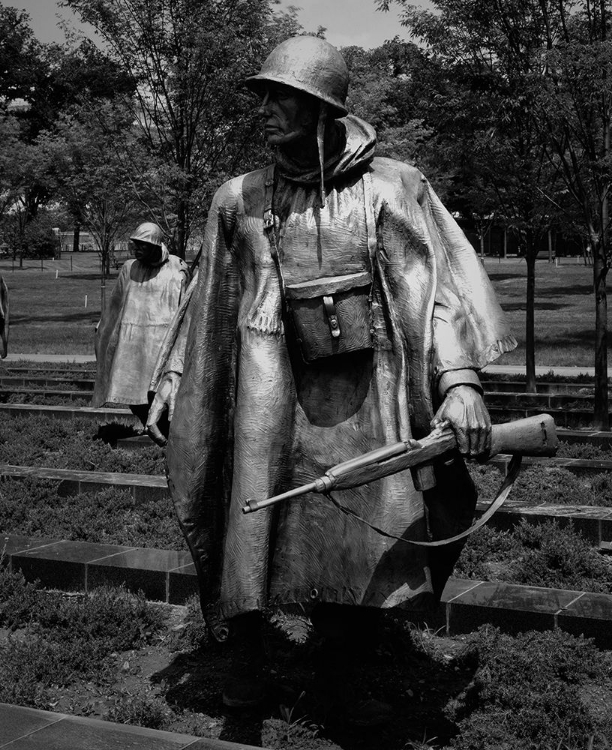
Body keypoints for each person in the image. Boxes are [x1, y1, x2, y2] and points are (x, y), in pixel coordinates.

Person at [147, 36, 517, 711]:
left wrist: (459, 379)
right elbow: (208, 303)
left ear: (320, 106)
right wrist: (173, 377)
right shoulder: (238, 200)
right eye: (264, 98)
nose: (266, 111)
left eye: (281, 98)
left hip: (370, 389)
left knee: (372, 512)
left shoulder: (394, 187)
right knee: (257, 514)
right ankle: (249, 657)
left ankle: (347, 650)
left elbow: (430, 288)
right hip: (270, 388)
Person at [93, 222, 189, 430]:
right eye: (134, 244)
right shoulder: (130, 268)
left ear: (155, 245)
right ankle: (145, 420)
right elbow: (115, 303)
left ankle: (161, 425)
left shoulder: (177, 267)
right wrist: (104, 327)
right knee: (127, 384)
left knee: (158, 386)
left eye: (142, 245)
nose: (136, 249)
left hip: (162, 338)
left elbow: (186, 307)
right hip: (131, 337)